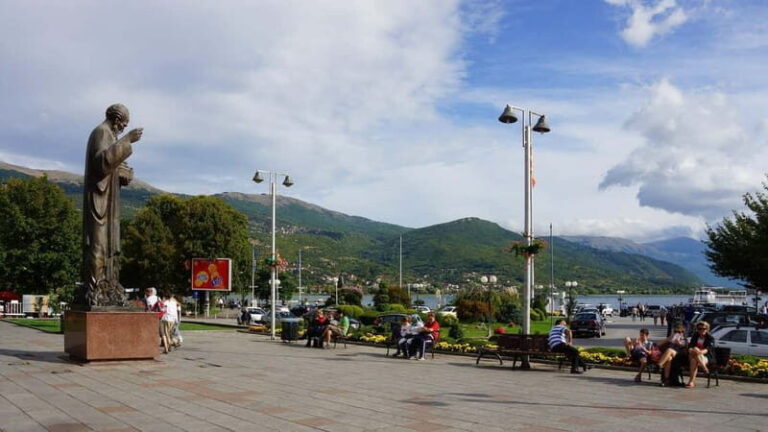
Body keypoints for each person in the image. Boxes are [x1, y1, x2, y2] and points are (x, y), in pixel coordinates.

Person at [81, 104, 143, 307]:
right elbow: (101, 163)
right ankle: (95, 290)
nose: (123, 129)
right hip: (99, 204)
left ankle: (108, 286)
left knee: (109, 248)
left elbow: (109, 167)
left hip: (109, 202)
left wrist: (121, 175)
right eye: (123, 125)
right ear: (117, 120)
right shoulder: (101, 132)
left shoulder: (108, 134)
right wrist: (127, 141)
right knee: (98, 246)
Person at [685, 321, 714, 388]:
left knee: (694, 360)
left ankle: (691, 382)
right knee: (694, 350)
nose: (702, 330)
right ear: (697, 329)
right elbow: (690, 346)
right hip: (693, 355)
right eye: (699, 328)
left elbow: (708, 349)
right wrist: (693, 350)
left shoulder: (710, 338)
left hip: (705, 356)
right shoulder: (695, 336)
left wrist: (698, 352)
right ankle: (704, 368)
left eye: (704, 328)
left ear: (707, 329)